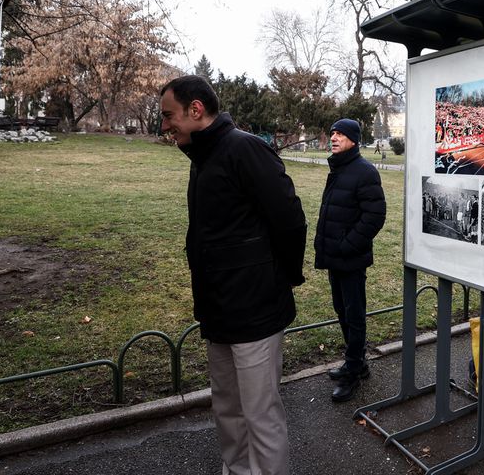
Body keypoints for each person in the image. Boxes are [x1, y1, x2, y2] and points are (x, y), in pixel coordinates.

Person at [160, 75, 307, 474]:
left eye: (168, 116)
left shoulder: (245, 149)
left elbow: (290, 221)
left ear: (195, 110)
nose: (164, 126)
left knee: (260, 413)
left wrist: (284, 278)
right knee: (227, 408)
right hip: (219, 309)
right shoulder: (203, 156)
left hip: (256, 310)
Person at [314, 119, 386, 402]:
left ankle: (354, 370)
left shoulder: (364, 171)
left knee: (354, 314)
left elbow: (375, 216)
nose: (334, 137)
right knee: (342, 309)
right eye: (332, 132)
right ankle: (358, 362)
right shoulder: (339, 167)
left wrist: (347, 245)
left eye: (340, 133)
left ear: (354, 139)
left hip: (350, 257)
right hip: (335, 255)